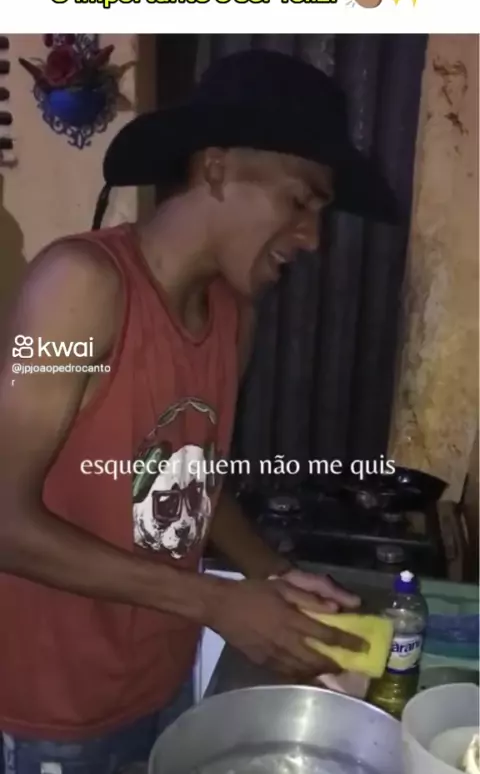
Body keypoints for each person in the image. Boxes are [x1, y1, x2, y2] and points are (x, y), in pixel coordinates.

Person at [0, 49, 401, 773]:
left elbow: (189, 482)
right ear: (215, 169)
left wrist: (270, 578)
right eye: (301, 201)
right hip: (55, 713)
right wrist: (217, 604)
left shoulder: (232, 316)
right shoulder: (78, 288)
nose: (313, 238)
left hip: (162, 680)